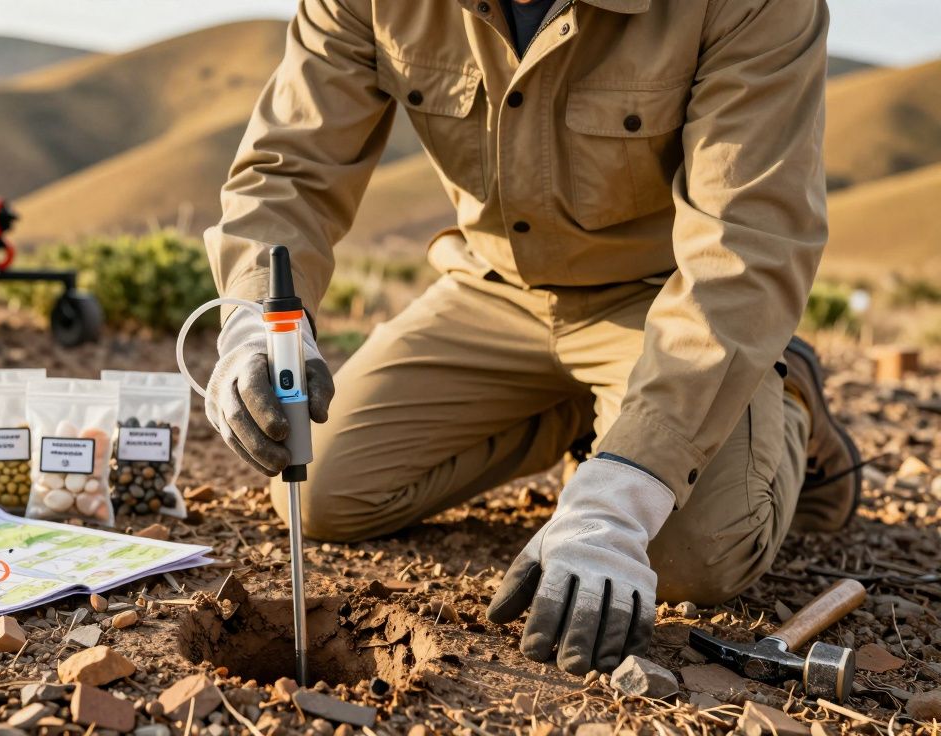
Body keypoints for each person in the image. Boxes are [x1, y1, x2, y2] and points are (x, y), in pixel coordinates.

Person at [202, 0, 861, 675]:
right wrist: (257, 323)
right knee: (325, 491)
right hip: (494, 288)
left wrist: (624, 491)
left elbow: (745, 249)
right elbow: (288, 173)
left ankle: (783, 394)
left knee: (693, 559)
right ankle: (602, 412)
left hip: (671, 305)